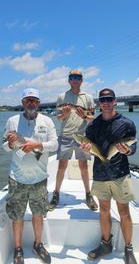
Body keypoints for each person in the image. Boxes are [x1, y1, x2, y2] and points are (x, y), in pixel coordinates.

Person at [80, 88, 137, 264]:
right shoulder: (93, 125)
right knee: (104, 211)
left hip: (120, 174)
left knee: (124, 212)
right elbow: (91, 150)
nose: (105, 102)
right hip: (100, 174)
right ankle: (106, 244)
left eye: (109, 99)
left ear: (115, 101)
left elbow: (133, 146)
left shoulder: (127, 123)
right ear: (99, 103)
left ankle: (128, 248)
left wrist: (128, 150)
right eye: (102, 99)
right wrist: (86, 150)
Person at [2, 88, 58, 264]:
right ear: (23, 103)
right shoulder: (12, 121)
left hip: (39, 179)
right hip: (17, 178)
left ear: (39, 103)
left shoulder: (47, 121)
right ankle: (18, 248)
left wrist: (38, 145)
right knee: (17, 216)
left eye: (34, 100)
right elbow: (3, 147)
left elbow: (55, 144)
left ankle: (38, 244)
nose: (31, 103)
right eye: (28, 100)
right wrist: (10, 145)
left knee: (38, 214)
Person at [48, 69, 98, 211]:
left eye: (78, 77)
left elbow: (92, 117)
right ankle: (56, 194)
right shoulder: (62, 96)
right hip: (65, 136)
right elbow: (58, 117)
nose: (75, 79)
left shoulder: (88, 97)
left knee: (83, 167)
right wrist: (64, 114)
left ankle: (88, 194)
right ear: (69, 80)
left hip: (82, 137)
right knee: (61, 167)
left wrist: (84, 117)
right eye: (72, 77)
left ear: (81, 80)